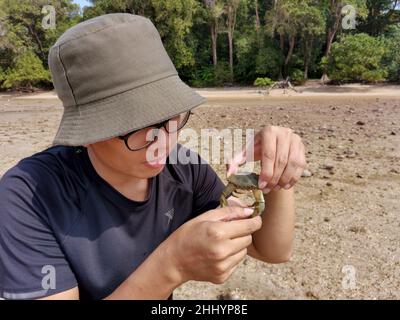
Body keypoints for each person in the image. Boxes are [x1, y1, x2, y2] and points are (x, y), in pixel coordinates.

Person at [0, 13, 306, 300]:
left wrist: (276, 174)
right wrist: (171, 265)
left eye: (170, 117)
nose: (162, 141)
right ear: (88, 131)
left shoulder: (184, 170)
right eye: (136, 126)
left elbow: (272, 250)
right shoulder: (28, 196)